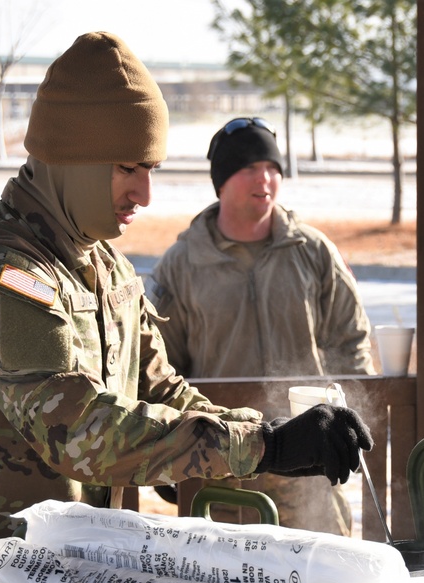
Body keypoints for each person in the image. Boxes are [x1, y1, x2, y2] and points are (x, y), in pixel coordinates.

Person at [0, 32, 373, 583]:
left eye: (151, 170)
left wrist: (276, 436)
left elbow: (160, 386)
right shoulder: (3, 269)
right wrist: (261, 445)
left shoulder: (105, 268)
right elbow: (79, 431)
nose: (144, 194)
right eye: (127, 168)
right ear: (71, 157)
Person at [149, 116, 374, 535]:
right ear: (222, 182)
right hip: (224, 464)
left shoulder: (312, 251)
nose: (265, 179)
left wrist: (353, 419)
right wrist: (173, 453)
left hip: (312, 461)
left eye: (273, 168)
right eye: (250, 168)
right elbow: (161, 365)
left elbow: (350, 341)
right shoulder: (182, 264)